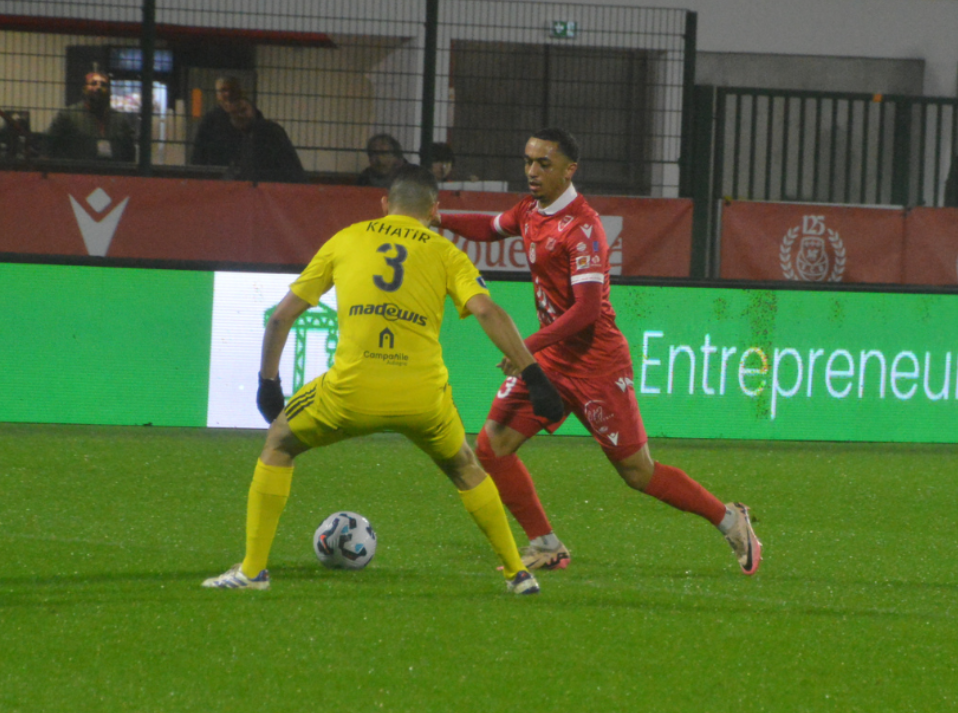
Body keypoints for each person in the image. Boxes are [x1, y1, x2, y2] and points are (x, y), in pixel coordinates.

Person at [202, 165, 565, 595]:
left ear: (383, 205)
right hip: (423, 398)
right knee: (465, 466)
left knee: (279, 442)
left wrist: (268, 382)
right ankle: (517, 574)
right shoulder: (446, 252)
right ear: (434, 210)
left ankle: (253, 570)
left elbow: (281, 317)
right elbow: (487, 311)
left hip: (350, 393)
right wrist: (533, 374)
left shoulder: (347, 238)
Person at [434, 128, 762, 576]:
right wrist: (440, 219)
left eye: (543, 164)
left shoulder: (583, 228)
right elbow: (491, 229)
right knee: (493, 445)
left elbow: (587, 310)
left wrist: (526, 345)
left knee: (637, 473)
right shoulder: (530, 210)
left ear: (570, 170)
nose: (532, 171)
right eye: (528, 161)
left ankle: (729, 520)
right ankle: (545, 543)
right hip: (551, 359)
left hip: (596, 365)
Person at [46, 70, 135, 162]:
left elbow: (129, 152)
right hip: (77, 170)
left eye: (103, 85)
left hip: (112, 171)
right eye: (93, 83)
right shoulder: (68, 115)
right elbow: (49, 143)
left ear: (109, 91)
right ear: (84, 89)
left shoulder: (120, 119)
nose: (98, 87)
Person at [222, 97, 306, 183]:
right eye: (234, 113)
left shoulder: (265, 131)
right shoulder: (250, 134)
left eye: (243, 110)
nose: (239, 115)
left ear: (254, 111)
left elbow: (260, 167)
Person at [189, 75, 244, 166]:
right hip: (215, 171)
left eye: (232, 90)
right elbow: (199, 151)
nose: (228, 94)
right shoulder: (210, 119)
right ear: (217, 95)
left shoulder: (249, 116)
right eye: (223, 90)